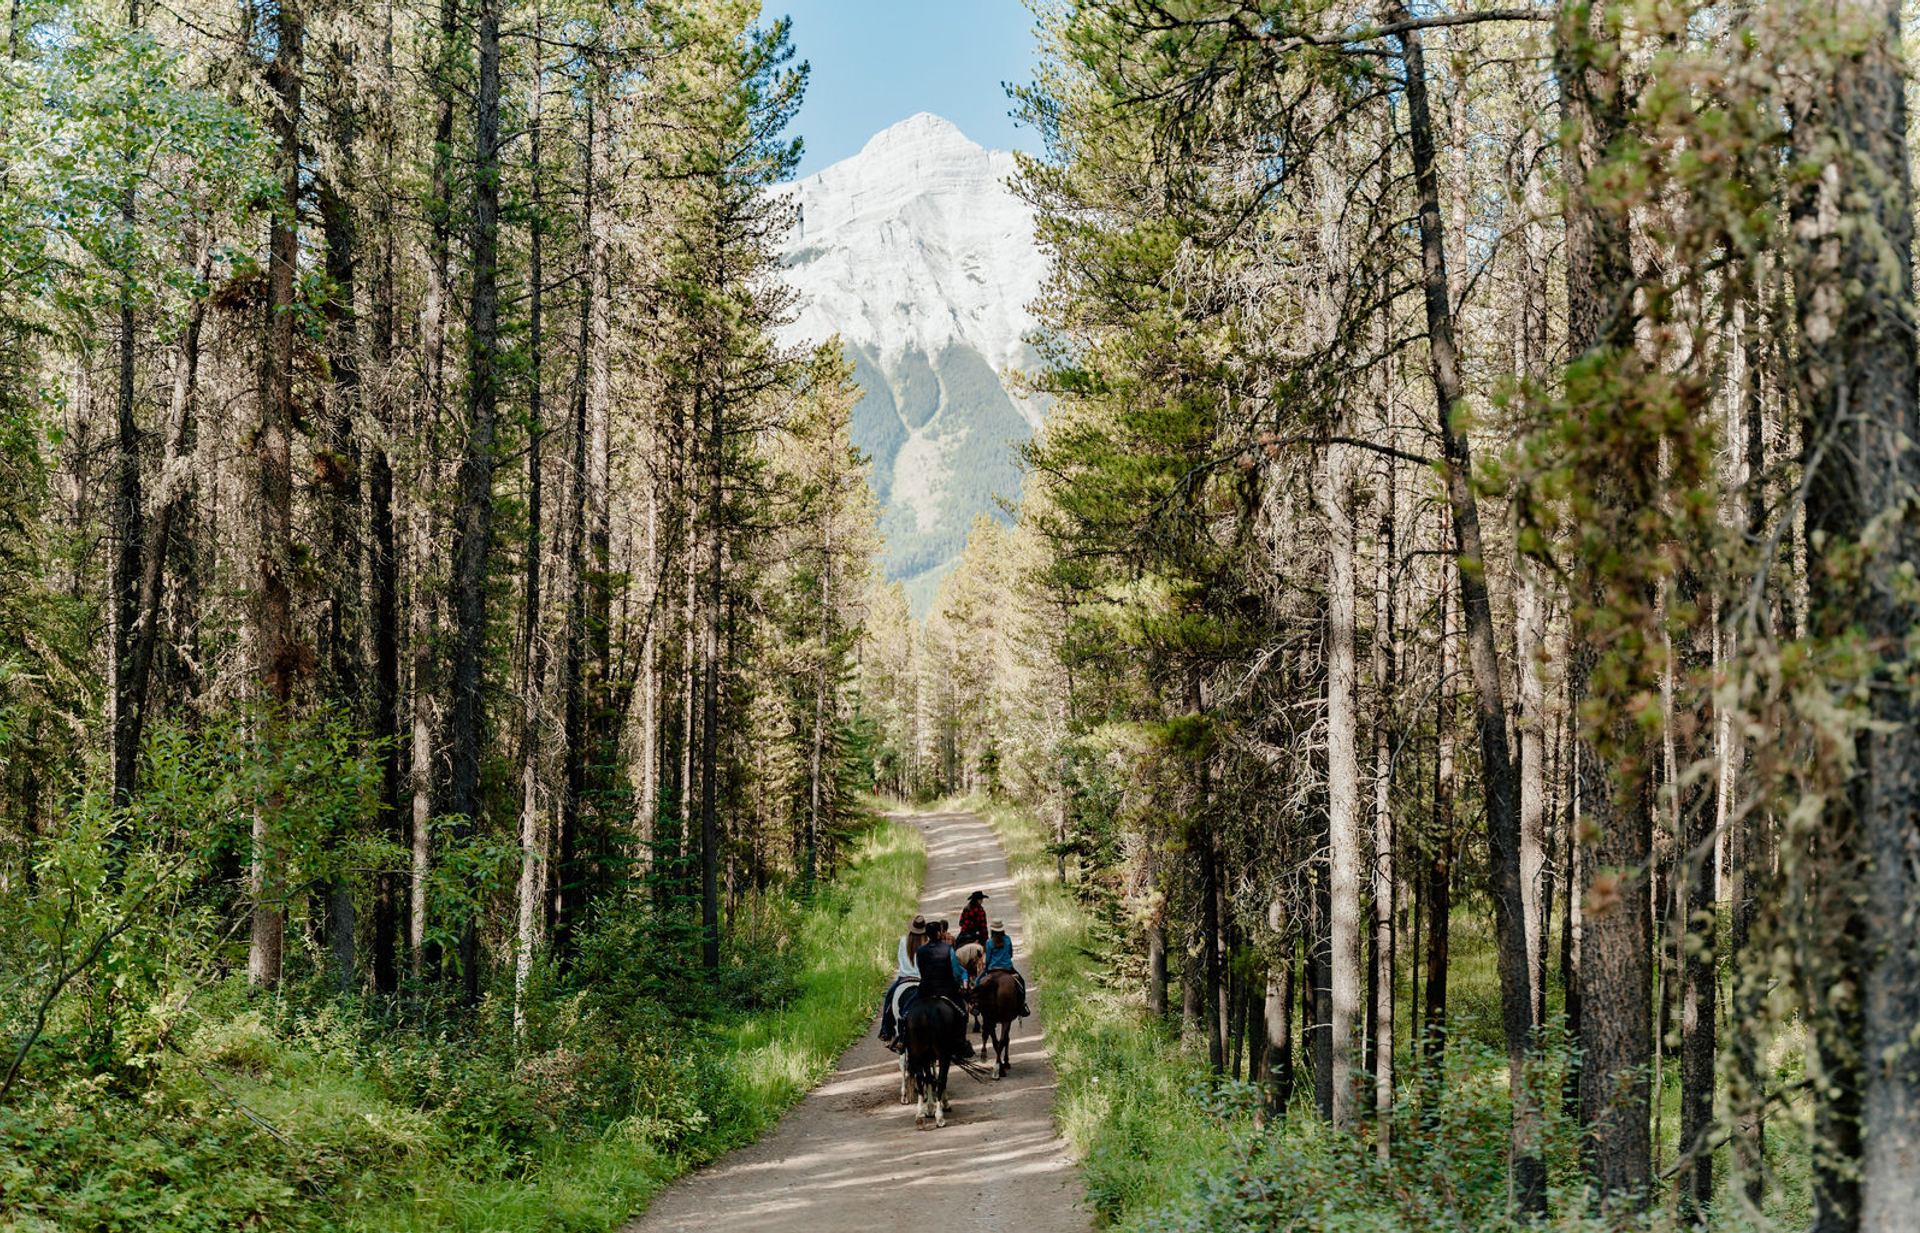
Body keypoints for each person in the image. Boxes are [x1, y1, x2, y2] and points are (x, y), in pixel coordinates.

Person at [914, 920, 974, 1059]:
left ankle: (902, 1037)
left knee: (907, 1011)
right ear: (938, 933)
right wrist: (958, 983)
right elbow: (956, 973)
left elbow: (920, 969)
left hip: (926, 990)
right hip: (946, 990)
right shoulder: (948, 950)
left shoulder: (921, 951)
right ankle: (960, 1043)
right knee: (963, 1012)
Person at [878, 915, 927, 1045]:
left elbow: (901, 960)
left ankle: (885, 1030)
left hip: (905, 977)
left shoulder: (904, 940)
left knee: (889, 998)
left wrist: (907, 970)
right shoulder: (927, 941)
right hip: (923, 979)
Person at [983, 919, 1030, 1016]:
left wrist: (986, 969)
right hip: (1007, 969)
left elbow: (987, 959)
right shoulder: (1007, 939)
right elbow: (1011, 954)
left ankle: (975, 1005)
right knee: (1021, 982)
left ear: (992, 930)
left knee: (978, 982)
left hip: (993, 969)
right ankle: (1022, 1005)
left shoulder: (989, 942)